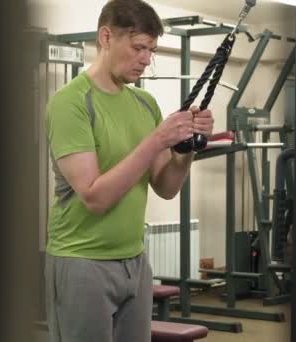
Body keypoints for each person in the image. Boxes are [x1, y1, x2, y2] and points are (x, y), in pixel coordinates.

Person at [44, 1, 214, 341]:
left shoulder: (145, 103)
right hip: (82, 261)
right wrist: (157, 140)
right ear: (106, 37)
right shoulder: (71, 102)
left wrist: (188, 147)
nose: (146, 59)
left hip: (134, 261)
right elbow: (94, 196)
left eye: (151, 50)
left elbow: (165, 186)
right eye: (139, 47)